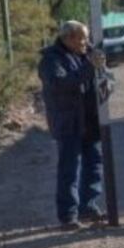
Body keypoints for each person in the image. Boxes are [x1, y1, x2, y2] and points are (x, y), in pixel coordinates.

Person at [38, 20, 109, 230]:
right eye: (82, 38)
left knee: (94, 165)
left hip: (90, 121)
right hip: (68, 123)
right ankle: (68, 216)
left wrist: (105, 76)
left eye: (86, 38)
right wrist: (89, 67)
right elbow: (62, 84)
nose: (86, 42)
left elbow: (104, 81)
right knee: (69, 169)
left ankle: (88, 206)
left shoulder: (86, 55)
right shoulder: (51, 60)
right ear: (68, 38)